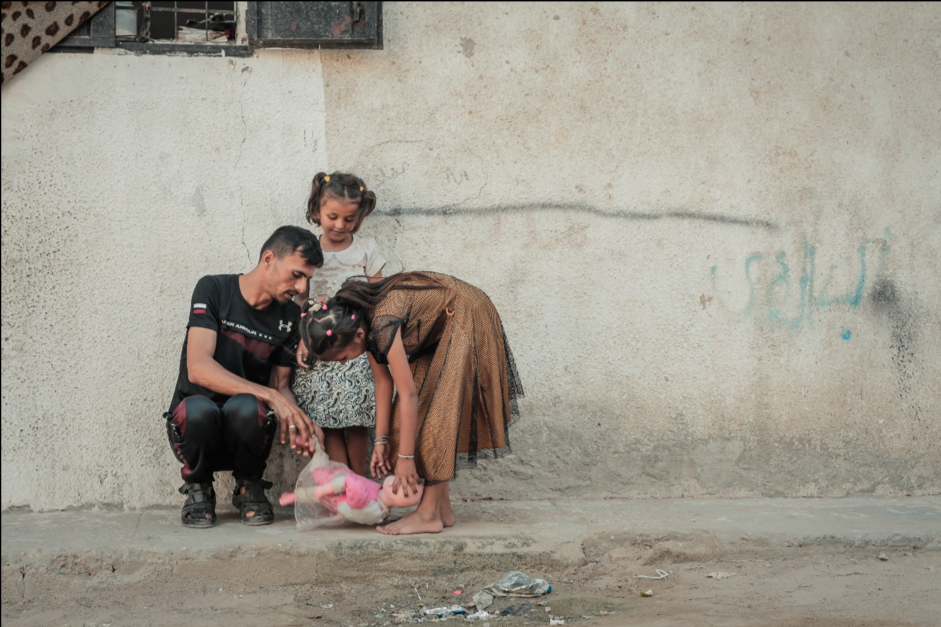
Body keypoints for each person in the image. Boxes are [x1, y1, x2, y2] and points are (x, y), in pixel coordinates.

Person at [300, 272, 524, 535]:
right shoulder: (362, 322)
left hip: (467, 312)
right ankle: (442, 510)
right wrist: (382, 440)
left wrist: (406, 459)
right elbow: (384, 384)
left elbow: (408, 395)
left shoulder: (381, 323)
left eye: (342, 358)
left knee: (438, 415)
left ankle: (428, 514)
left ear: (358, 336)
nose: (343, 363)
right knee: (410, 422)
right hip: (440, 329)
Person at [165, 225, 326, 528]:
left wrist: (301, 422)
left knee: (247, 406)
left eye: (308, 278)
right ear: (268, 259)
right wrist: (272, 396)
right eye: (296, 274)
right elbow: (198, 367)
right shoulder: (213, 289)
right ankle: (199, 487)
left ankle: (248, 485)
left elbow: (280, 386)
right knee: (198, 409)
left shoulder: (290, 317)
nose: (302, 288)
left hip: (248, 429)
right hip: (195, 429)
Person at [292, 171, 386, 476]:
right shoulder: (309, 251)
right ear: (317, 210)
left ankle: (360, 480)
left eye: (348, 219)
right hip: (321, 348)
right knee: (328, 417)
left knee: (357, 418)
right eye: (332, 216)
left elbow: (381, 295)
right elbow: (301, 300)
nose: (339, 225)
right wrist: (303, 339)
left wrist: (375, 337)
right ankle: (343, 483)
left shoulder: (366, 250)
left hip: (356, 351)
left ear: (358, 218)